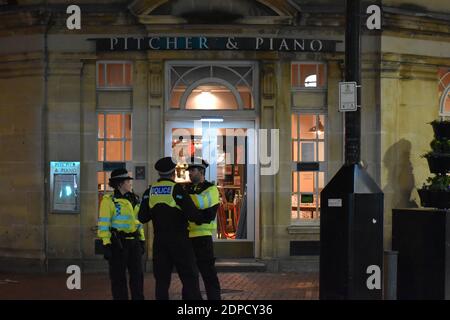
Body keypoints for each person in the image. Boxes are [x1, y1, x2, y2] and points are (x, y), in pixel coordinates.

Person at [138, 157, 215, 300]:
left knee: (161, 282)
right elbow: (192, 215)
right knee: (190, 279)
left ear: (159, 173)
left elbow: (142, 217)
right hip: (180, 243)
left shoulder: (150, 191)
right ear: (173, 172)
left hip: (160, 243)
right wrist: (202, 218)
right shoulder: (177, 189)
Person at [97, 168, 145, 300]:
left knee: (137, 277)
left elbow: (138, 222)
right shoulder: (109, 201)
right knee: (118, 279)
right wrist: (106, 244)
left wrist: (142, 240)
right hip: (118, 244)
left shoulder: (135, 200)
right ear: (120, 184)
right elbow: (104, 224)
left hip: (134, 243)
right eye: (127, 181)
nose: (130, 184)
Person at [186, 158, 222, 300]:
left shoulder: (211, 188)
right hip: (187, 237)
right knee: (189, 274)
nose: (189, 174)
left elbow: (202, 203)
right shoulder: (187, 188)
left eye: (192, 171)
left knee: (208, 273)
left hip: (203, 238)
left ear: (201, 172)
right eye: (189, 171)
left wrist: (185, 200)